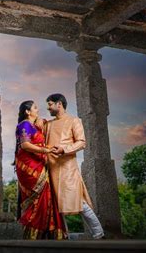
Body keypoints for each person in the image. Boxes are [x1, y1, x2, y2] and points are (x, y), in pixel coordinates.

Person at [45, 93, 104, 239]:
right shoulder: (48, 124)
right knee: (54, 204)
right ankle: (62, 235)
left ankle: (99, 233)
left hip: (67, 168)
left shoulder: (74, 120)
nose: (48, 108)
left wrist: (64, 149)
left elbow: (82, 142)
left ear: (59, 104)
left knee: (78, 200)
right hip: (50, 168)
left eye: (50, 104)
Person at [14, 100, 67, 240]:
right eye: (35, 108)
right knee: (38, 197)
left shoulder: (35, 125)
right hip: (29, 166)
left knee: (47, 196)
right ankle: (32, 234)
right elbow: (25, 145)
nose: (38, 110)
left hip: (40, 163)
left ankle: (44, 233)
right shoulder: (24, 124)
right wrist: (45, 150)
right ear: (27, 111)